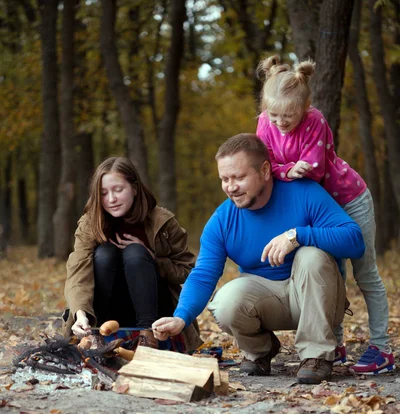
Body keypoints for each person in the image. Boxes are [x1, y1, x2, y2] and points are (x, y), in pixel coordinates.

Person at [152, 134, 366, 385]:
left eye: (239, 177)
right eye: (225, 179)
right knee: (225, 301)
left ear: (265, 170)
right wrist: (181, 316)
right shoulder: (222, 220)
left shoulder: (304, 193)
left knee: (311, 255)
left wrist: (298, 235)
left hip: (317, 296)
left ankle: (316, 356)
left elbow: (354, 240)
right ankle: (260, 350)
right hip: (267, 300)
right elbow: (203, 274)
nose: (231, 187)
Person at [255, 55, 394, 375]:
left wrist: (285, 171)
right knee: (336, 276)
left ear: (304, 108)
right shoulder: (266, 121)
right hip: (315, 208)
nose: (279, 122)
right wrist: (289, 169)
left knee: (365, 272)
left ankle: (381, 347)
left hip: (348, 200)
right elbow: (266, 167)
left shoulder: (315, 121)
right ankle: (335, 344)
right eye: (273, 114)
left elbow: (314, 171)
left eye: (288, 116)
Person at [63, 156, 202, 352]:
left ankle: (147, 337)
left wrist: (153, 258)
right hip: (107, 313)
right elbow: (78, 271)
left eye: (118, 190)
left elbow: (188, 271)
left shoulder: (161, 222)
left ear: (135, 188)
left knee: (135, 253)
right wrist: (81, 313)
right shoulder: (90, 223)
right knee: (105, 253)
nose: (111, 199)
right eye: (103, 193)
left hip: (154, 312)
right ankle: (96, 333)